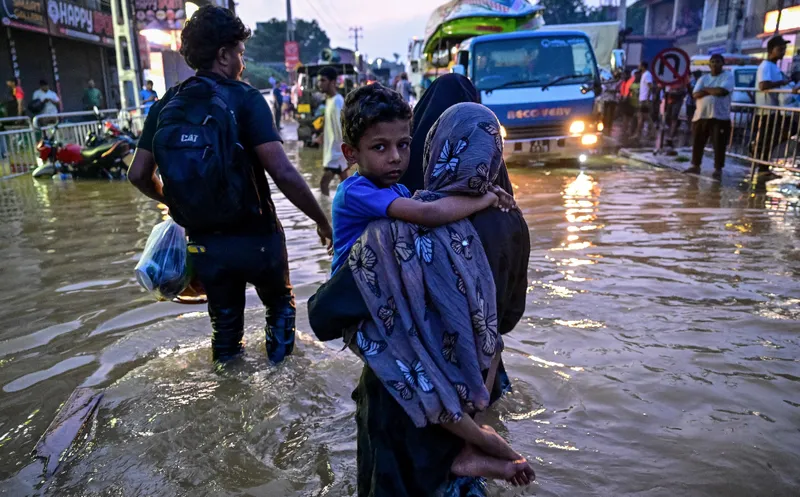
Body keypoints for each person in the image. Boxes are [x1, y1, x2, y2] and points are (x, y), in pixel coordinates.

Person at [308, 74, 533, 497]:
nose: (396, 156)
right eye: (382, 147)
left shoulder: (398, 233)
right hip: (471, 381)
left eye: (405, 144)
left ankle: (478, 443)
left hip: (403, 416)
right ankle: (476, 442)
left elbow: (324, 315)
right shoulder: (511, 223)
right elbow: (506, 319)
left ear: (434, 143)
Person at [128, 6, 332, 363]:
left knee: (225, 332)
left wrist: (177, 205)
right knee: (279, 308)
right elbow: (283, 172)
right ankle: (283, 388)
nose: (243, 62)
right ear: (223, 55)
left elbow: (138, 174)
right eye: (240, 53)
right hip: (258, 239)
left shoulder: (165, 105)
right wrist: (321, 219)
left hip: (205, 246)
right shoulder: (246, 98)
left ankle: (228, 389)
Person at [684, 54, 733, 180]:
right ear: (709, 65)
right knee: (698, 142)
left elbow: (722, 91)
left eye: (718, 62)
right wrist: (712, 90)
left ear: (722, 64)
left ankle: (718, 169)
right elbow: (695, 94)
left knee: (719, 144)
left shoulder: (728, 76)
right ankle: (695, 165)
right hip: (701, 116)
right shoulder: (703, 78)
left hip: (720, 117)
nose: (715, 64)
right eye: (713, 62)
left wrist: (705, 90)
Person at [754, 36, 799, 169]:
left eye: (784, 49)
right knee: (767, 139)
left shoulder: (775, 67)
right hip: (766, 110)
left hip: (776, 110)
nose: (783, 52)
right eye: (780, 49)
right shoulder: (765, 66)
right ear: (771, 50)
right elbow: (763, 85)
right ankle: (761, 165)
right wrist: (782, 82)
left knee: (776, 136)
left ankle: (762, 163)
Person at [318, 66, 349, 196]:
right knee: (346, 185)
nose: (319, 84)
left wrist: (345, 152)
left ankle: (326, 207)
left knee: (323, 184)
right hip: (334, 151)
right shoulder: (330, 100)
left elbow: (341, 128)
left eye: (323, 80)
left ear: (332, 82)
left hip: (335, 153)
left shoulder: (337, 101)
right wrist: (322, 135)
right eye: (319, 80)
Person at [664, 75, 689, 147]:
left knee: (674, 117)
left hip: (678, 99)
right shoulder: (670, 74)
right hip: (670, 98)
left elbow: (686, 87)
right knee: (668, 117)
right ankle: (672, 134)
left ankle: (671, 136)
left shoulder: (684, 75)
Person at [635, 60, 654, 140]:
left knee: (642, 117)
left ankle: (638, 134)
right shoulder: (644, 74)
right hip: (643, 98)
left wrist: (647, 99)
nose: (638, 67)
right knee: (645, 117)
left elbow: (650, 86)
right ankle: (651, 133)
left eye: (639, 65)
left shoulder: (647, 75)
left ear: (643, 67)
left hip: (644, 99)